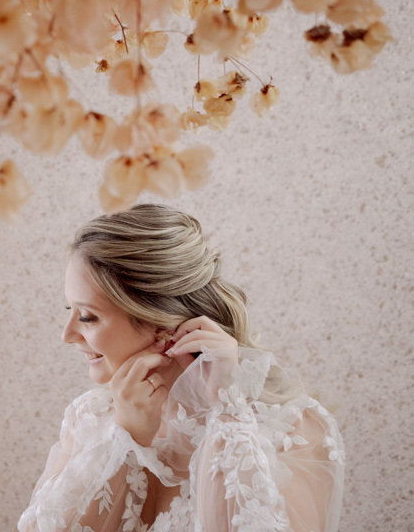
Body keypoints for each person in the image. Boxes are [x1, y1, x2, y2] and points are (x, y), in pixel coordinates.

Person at [17, 204, 344, 532]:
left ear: (159, 323)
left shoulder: (291, 429)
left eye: (87, 317)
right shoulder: (90, 418)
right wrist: (124, 438)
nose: (67, 335)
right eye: (69, 310)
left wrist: (227, 412)